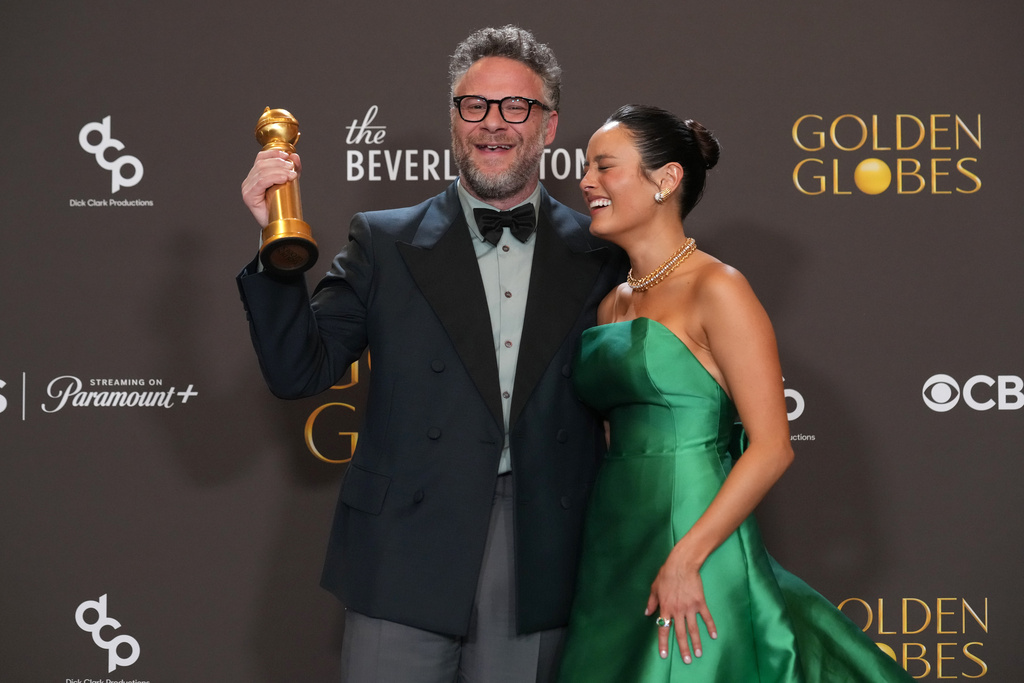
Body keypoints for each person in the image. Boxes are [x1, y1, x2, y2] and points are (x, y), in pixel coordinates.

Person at [237, 26, 625, 683]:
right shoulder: (382, 241)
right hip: (404, 544)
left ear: (550, 126)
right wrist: (275, 248)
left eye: (515, 107)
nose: (492, 125)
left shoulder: (602, 252)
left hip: (539, 546)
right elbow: (297, 369)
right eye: (474, 105)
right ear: (454, 117)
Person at [557, 105, 914, 682]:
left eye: (604, 166)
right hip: (615, 541)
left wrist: (688, 555)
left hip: (693, 538)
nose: (585, 181)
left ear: (665, 180)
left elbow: (773, 446)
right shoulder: (613, 303)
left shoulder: (717, 288)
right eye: (586, 167)